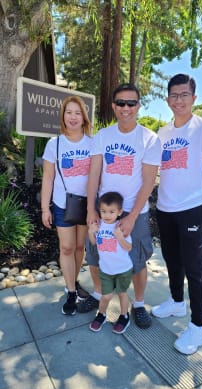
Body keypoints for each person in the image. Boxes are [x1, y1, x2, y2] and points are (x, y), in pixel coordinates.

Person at [77, 83, 161, 329]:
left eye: (131, 103)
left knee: (136, 262)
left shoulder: (149, 139)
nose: (126, 108)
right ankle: (98, 295)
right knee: (95, 257)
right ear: (114, 106)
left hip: (134, 213)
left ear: (138, 106)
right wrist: (91, 210)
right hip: (103, 212)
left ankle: (138, 304)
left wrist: (133, 215)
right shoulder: (103, 136)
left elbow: (149, 181)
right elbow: (94, 173)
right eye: (121, 103)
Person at [152, 73, 202, 354]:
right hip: (165, 208)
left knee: (195, 269)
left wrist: (198, 199)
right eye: (174, 95)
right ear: (167, 99)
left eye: (184, 95)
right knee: (171, 259)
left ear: (193, 98)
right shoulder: (163, 132)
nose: (178, 100)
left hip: (192, 210)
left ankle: (197, 328)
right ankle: (176, 303)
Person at [41, 95, 92, 316]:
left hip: (86, 205)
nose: (73, 117)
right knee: (67, 247)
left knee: (80, 247)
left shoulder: (93, 142)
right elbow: (48, 178)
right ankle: (71, 291)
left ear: (83, 117)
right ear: (63, 116)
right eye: (69, 112)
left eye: (77, 112)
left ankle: (75, 279)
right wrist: (45, 208)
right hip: (63, 205)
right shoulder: (55, 144)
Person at [88, 191, 133, 334]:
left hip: (123, 269)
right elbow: (94, 243)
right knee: (106, 296)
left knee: (122, 293)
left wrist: (119, 236)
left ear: (119, 212)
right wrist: (91, 232)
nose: (107, 215)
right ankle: (101, 315)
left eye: (112, 211)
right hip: (106, 270)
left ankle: (124, 316)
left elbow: (128, 247)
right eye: (103, 211)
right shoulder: (99, 226)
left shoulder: (121, 227)